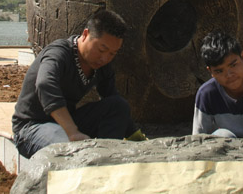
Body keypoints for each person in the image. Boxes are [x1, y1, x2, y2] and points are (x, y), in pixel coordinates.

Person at [12, 10, 145, 158]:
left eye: (112, 53)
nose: (105, 58)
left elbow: (114, 101)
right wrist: (72, 132)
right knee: (70, 149)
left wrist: (137, 138)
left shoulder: (102, 66)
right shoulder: (59, 53)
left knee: (118, 105)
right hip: (32, 127)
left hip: (68, 121)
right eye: (102, 49)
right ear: (86, 34)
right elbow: (45, 84)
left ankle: (107, 159)